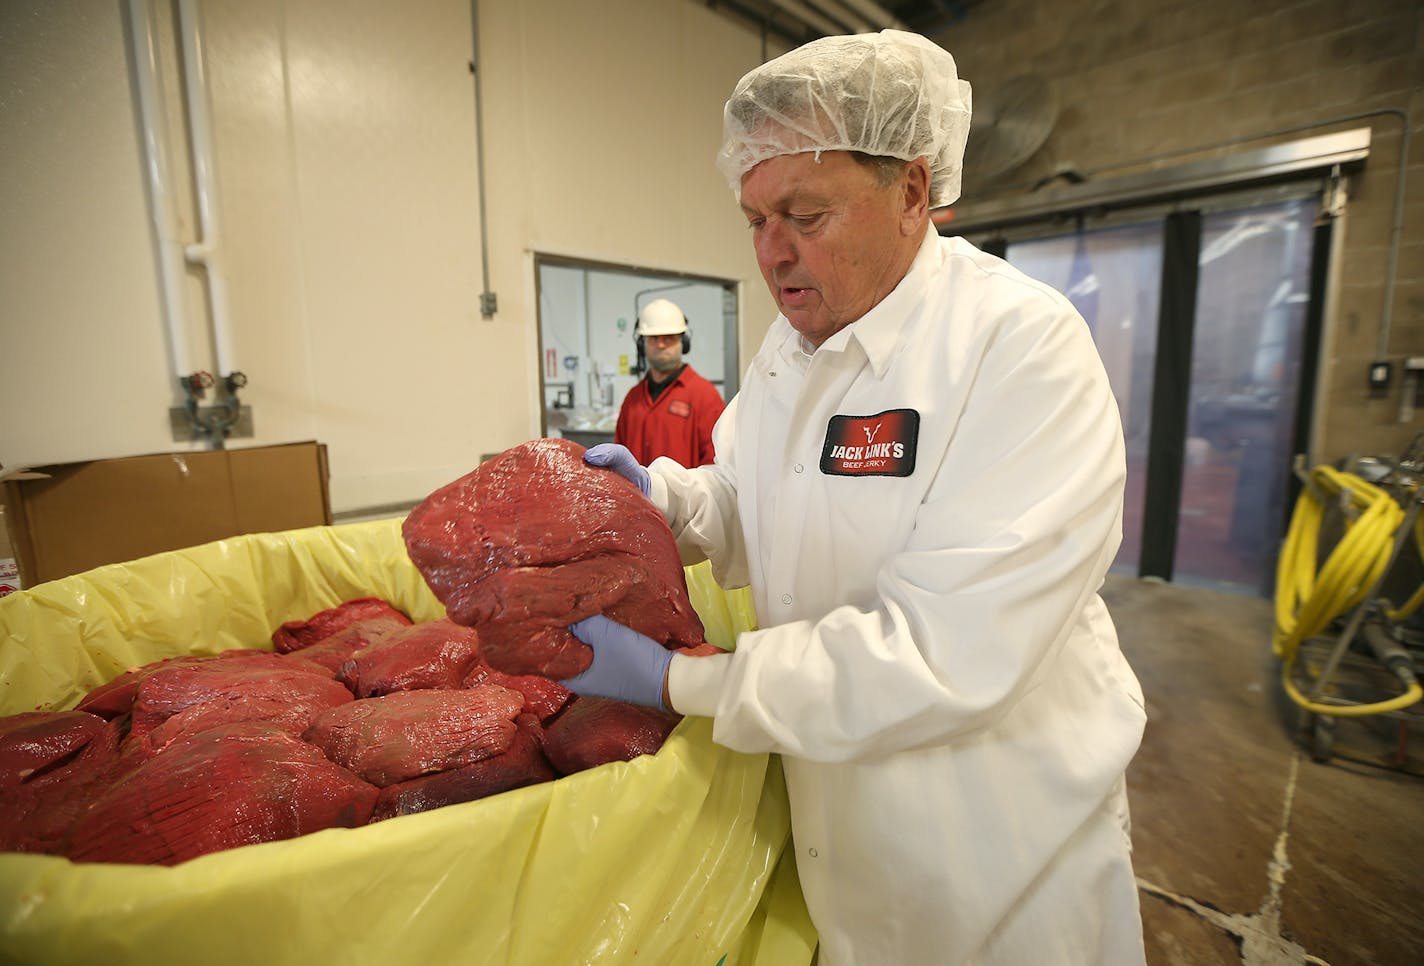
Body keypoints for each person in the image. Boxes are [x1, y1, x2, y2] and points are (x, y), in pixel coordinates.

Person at [564, 29, 1148, 966]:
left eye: (805, 212)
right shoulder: (794, 351)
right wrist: (663, 503)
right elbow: (752, 502)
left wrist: (683, 681)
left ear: (913, 191)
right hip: (843, 841)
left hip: (999, 863)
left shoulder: (1018, 349)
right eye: (755, 220)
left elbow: (944, 656)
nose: (773, 253)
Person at [613, 298, 725, 468]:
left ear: (684, 343)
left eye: (669, 338)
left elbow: (717, 465)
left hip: (684, 496)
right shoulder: (632, 399)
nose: (660, 344)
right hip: (636, 495)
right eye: (653, 338)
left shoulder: (704, 396)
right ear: (641, 345)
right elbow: (619, 459)